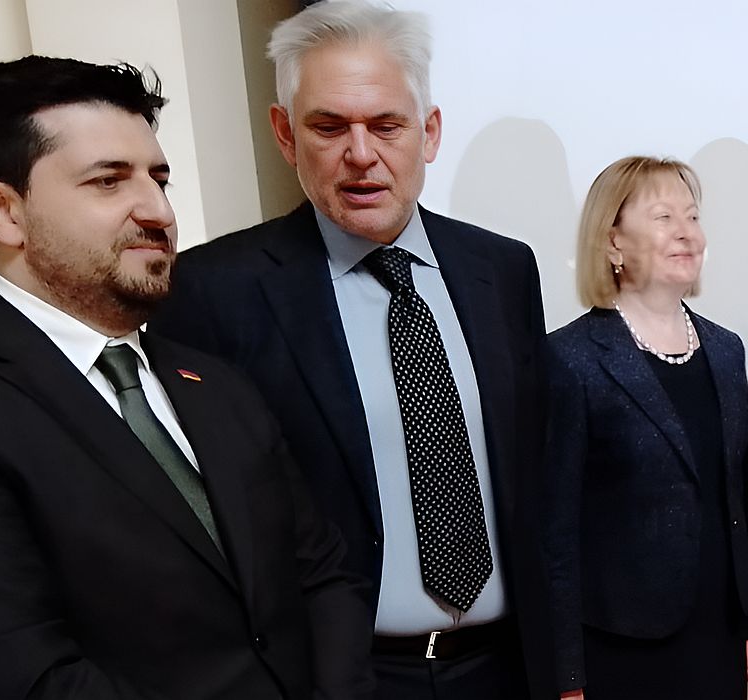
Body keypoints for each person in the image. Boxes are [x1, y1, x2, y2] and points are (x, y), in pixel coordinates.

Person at [149, 2, 554, 696]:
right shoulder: (214, 292)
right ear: (284, 134)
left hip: (509, 669)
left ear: (428, 132)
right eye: (329, 126)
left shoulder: (503, 270)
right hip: (340, 678)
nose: (360, 155)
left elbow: (532, 479)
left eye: (387, 125)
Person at [0, 55, 371, 699]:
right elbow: (24, 670)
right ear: (4, 211)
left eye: (158, 179)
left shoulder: (214, 383)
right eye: (108, 182)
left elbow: (324, 578)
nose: (158, 211)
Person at [542, 156, 748, 699]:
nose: (687, 233)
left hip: (718, 633)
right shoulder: (570, 358)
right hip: (620, 643)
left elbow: (737, 497)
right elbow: (555, 529)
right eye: (664, 217)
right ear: (613, 243)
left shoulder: (724, 348)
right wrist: (566, 674)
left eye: (692, 217)